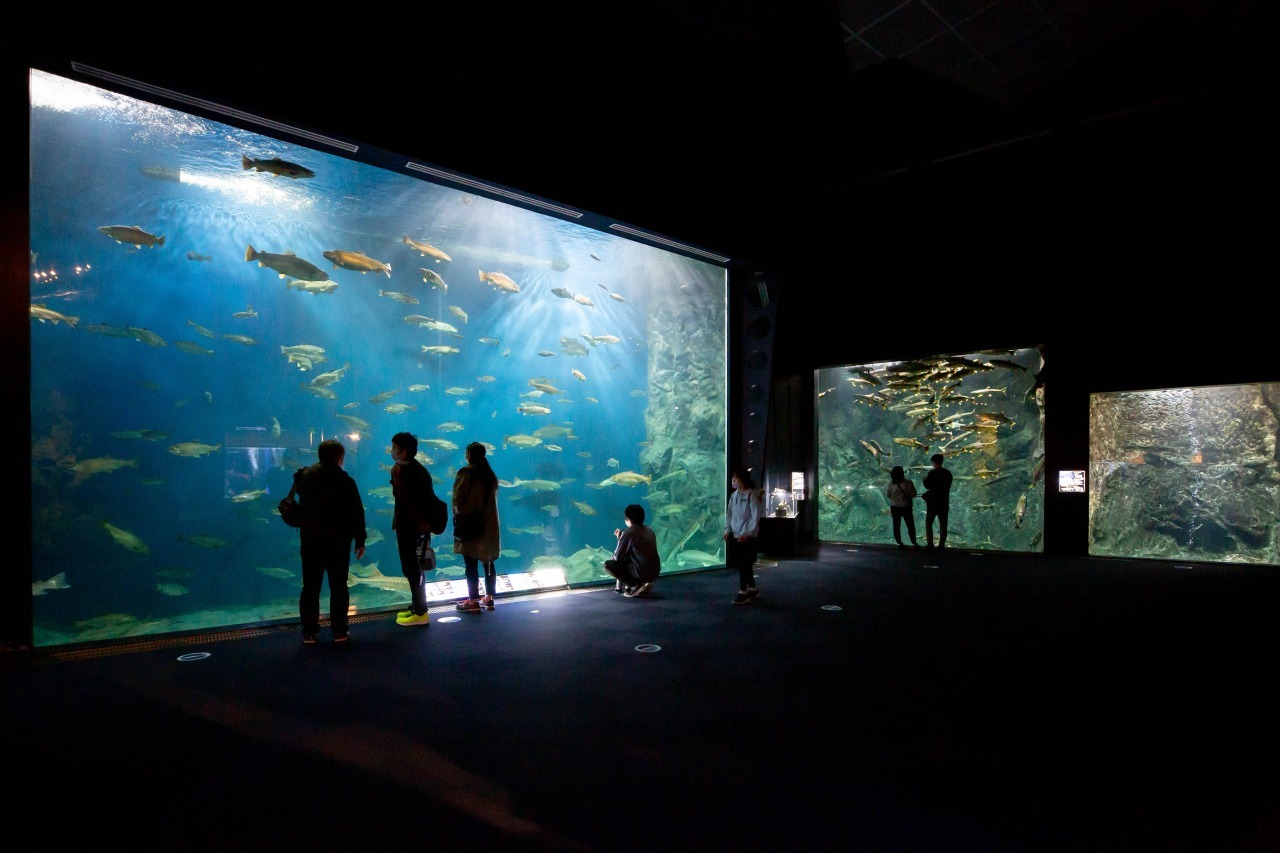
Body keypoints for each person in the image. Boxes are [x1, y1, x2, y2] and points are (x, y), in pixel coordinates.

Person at [294, 439, 366, 644]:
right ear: (340, 457)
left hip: (310, 542)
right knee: (339, 587)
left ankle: (309, 632)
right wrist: (360, 539)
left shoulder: (305, 476)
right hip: (338, 543)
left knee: (310, 587)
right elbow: (356, 512)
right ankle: (340, 631)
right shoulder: (345, 480)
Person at [389, 432, 435, 626]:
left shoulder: (399, 469)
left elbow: (404, 500)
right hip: (421, 526)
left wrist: (410, 522)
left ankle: (421, 613)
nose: (392, 450)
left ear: (403, 450)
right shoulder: (421, 469)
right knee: (418, 567)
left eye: (394, 446)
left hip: (408, 526)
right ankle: (418, 606)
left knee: (411, 568)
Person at [452, 441, 501, 612]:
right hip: (489, 524)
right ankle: (489, 598)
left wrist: (457, 513)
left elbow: (457, 498)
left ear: (469, 455)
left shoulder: (467, 472)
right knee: (488, 561)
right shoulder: (490, 475)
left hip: (470, 523)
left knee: (470, 562)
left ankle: (473, 601)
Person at [604, 503, 661, 597]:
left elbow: (617, 558)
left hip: (641, 572)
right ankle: (645, 582)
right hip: (655, 572)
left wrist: (620, 540)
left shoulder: (628, 533)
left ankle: (635, 585)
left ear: (627, 519)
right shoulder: (649, 530)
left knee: (608, 565)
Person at [724, 467, 763, 605]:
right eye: (733, 477)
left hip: (748, 536)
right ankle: (753, 589)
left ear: (743, 480)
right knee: (744, 563)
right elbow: (729, 515)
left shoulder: (751, 495)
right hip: (736, 534)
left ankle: (743, 592)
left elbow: (755, 516)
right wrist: (727, 530)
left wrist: (746, 533)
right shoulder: (734, 496)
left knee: (744, 564)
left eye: (736, 478)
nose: (733, 480)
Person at [922, 453, 954, 549]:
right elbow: (947, 487)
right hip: (944, 502)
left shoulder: (932, 473)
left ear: (934, 462)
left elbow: (927, 486)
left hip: (932, 502)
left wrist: (924, 480)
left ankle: (930, 544)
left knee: (929, 522)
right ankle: (941, 545)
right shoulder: (948, 473)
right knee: (943, 524)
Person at [885, 465, 921, 548]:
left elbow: (888, 495)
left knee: (896, 525)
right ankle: (913, 542)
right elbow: (913, 495)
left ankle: (899, 542)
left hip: (895, 507)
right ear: (902, 473)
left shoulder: (891, 484)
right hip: (906, 507)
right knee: (910, 525)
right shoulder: (909, 482)